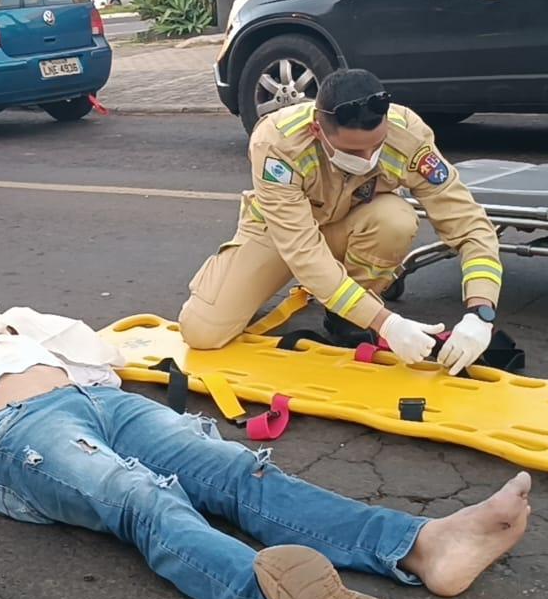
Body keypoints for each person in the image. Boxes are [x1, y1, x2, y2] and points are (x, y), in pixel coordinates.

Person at [0, 306, 533, 599]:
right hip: (13, 434)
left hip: (98, 403)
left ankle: (421, 545)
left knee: (239, 471)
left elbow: (96, 351)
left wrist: (14, 332)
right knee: (144, 499)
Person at [178, 69, 503, 376]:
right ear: (319, 130)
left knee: (396, 219)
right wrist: (388, 323)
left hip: (352, 224)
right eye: (353, 150)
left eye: (375, 147)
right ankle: (360, 309)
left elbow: (470, 225)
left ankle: (347, 316)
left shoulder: (408, 135)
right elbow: (303, 251)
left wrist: (480, 313)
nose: (366, 160)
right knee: (202, 331)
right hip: (277, 236)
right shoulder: (277, 143)